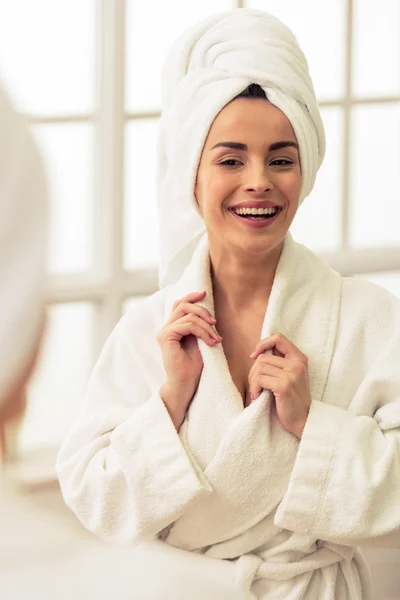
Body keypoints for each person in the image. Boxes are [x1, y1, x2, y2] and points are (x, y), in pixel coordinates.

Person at [56, 9, 400, 600]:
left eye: (282, 158)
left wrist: (309, 422)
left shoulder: (369, 317)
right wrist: (170, 400)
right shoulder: (150, 329)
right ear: (192, 175)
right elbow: (94, 494)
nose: (259, 180)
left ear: (306, 169)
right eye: (230, 159)